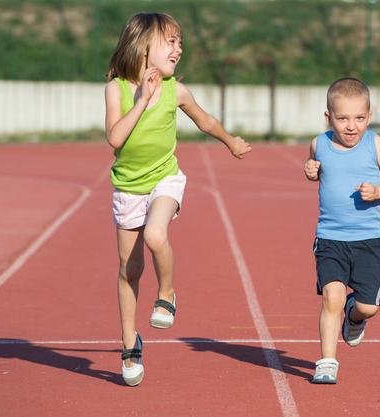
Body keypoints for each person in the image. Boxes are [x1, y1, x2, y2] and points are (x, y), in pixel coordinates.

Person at [104, 12, 252, 386]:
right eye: (171, 42)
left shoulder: (177, 91)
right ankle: (129, 343)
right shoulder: (117, 88)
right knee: (129, 269)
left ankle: (167, 293)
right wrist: (142, 99)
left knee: (156, 235)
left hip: (165, 179)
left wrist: (230, 141)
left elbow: (204, 121)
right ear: (142, 45)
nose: (179, 49)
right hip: (128, 187)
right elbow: (115, 139)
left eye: (180, 43)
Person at [303, 77, 380, 384]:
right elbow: (313, 167)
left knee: (368, 307)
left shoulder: (375, 143)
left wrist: (378, 191)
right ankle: (327, 361)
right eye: (343, 118)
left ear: (369, 117)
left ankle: (355, 315)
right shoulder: (319, 144)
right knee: (331, 297)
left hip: (367, 241)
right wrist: (310, 169)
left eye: (359, 118)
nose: (351, 126)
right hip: (330, 238)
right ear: (328, 118)